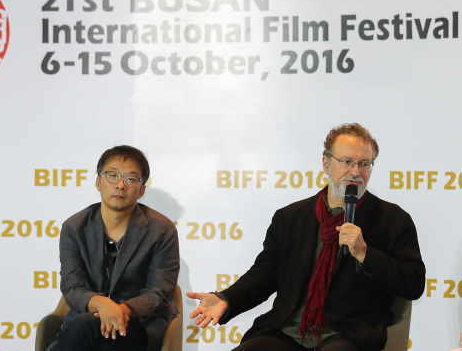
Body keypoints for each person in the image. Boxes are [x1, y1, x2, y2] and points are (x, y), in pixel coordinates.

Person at [188, 123, 425, 351]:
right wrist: (227, 299)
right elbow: (265, 274)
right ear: (326, 163)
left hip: (348, 334)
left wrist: (365, 254)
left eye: (365, 163)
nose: (356, 172)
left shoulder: (393, 219)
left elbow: (413, 284)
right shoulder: (290, 217)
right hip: (289, 330)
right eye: (346, 162)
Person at [47, 145, 179, 351]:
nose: (120, 185)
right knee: (84, 328)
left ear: (141, 189)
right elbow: (72, 286)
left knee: (91, 333)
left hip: (139, 323)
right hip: (86, 319)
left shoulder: (161, 229)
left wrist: (121, 310)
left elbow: (160, 293)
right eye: (112, 176)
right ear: (98, 182)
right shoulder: (74, 227)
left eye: (130, 179)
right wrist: (102, 305)